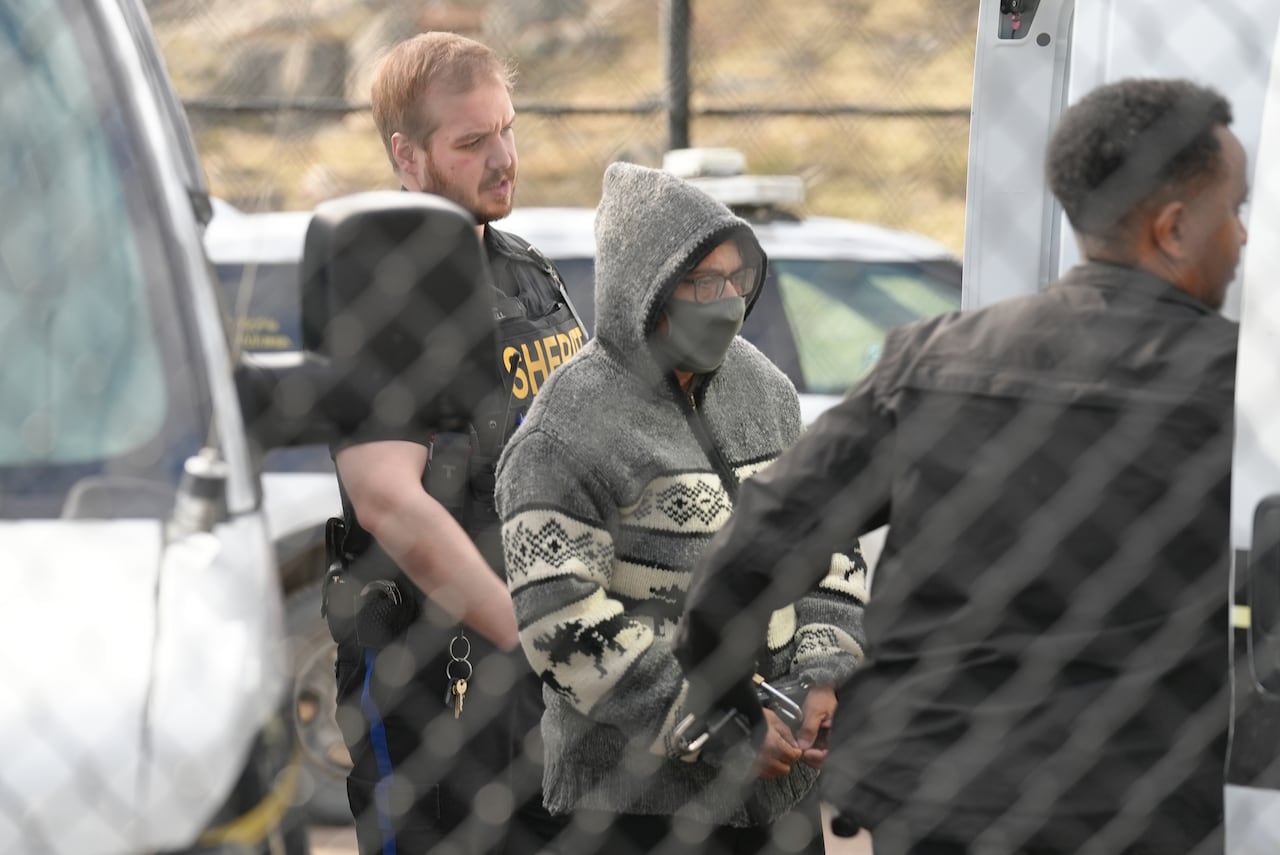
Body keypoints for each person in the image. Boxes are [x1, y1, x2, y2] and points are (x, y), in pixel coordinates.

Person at [675, 77, 1246, 855]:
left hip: (934, 801)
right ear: (1173, 229)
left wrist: (734, 699)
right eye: (1235, 210)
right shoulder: (1245, 388)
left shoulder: (933, 361)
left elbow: (754, 541)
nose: (1244, 237)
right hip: (1137, 807)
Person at [494, 161, 868, 855]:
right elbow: (560, 621)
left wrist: (822, 677)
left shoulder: (765, 391)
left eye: (737, 280)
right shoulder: (566, 427)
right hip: (633, 808)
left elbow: (830, 543)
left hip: (777, 796)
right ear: (647, 288)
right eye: (702, 282)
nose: (726, 301)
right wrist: (718, 724)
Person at [326, 32, 586, 855]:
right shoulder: (382, 291)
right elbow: (387, 497)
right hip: (437, 682)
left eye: (507, 128)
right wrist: (529, 632)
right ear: (407, 155)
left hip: (554, 676)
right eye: (472, 142)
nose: (503, 158)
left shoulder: (529, 273)